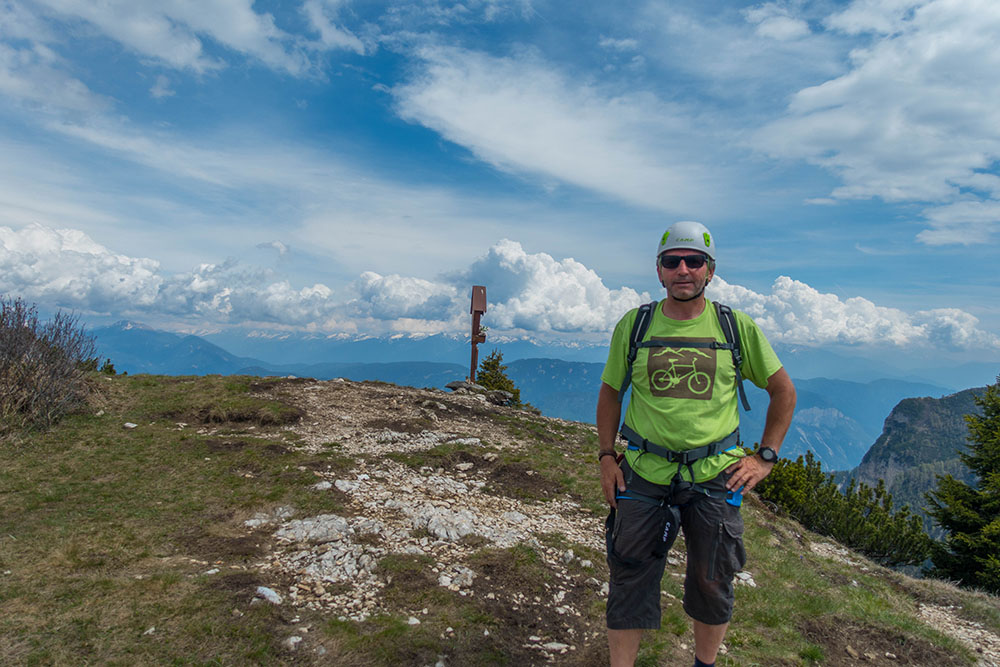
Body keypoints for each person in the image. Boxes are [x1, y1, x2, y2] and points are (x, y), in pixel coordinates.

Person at [596, 221, 796, 667]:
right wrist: (607, 456)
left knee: (713, 580)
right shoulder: (635, 324)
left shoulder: (734, 326)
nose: (683, 269)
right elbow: (611, 391)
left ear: (710, 271)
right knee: (629, 579)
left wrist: (765, 458)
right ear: (659, 271)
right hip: (644, 472)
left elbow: (783, 391)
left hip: (715, 474)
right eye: (673, 261)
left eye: (694, 261)